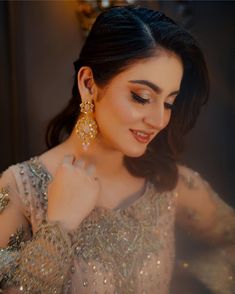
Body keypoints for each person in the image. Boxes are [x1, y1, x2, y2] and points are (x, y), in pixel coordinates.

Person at [0, 5, 234, 294]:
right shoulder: (21, 189)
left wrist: (190, 277)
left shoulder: (167, 183)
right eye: (141, 97)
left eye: (169, 102)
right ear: (88, 84)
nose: (159, 119)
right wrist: (59, 225)